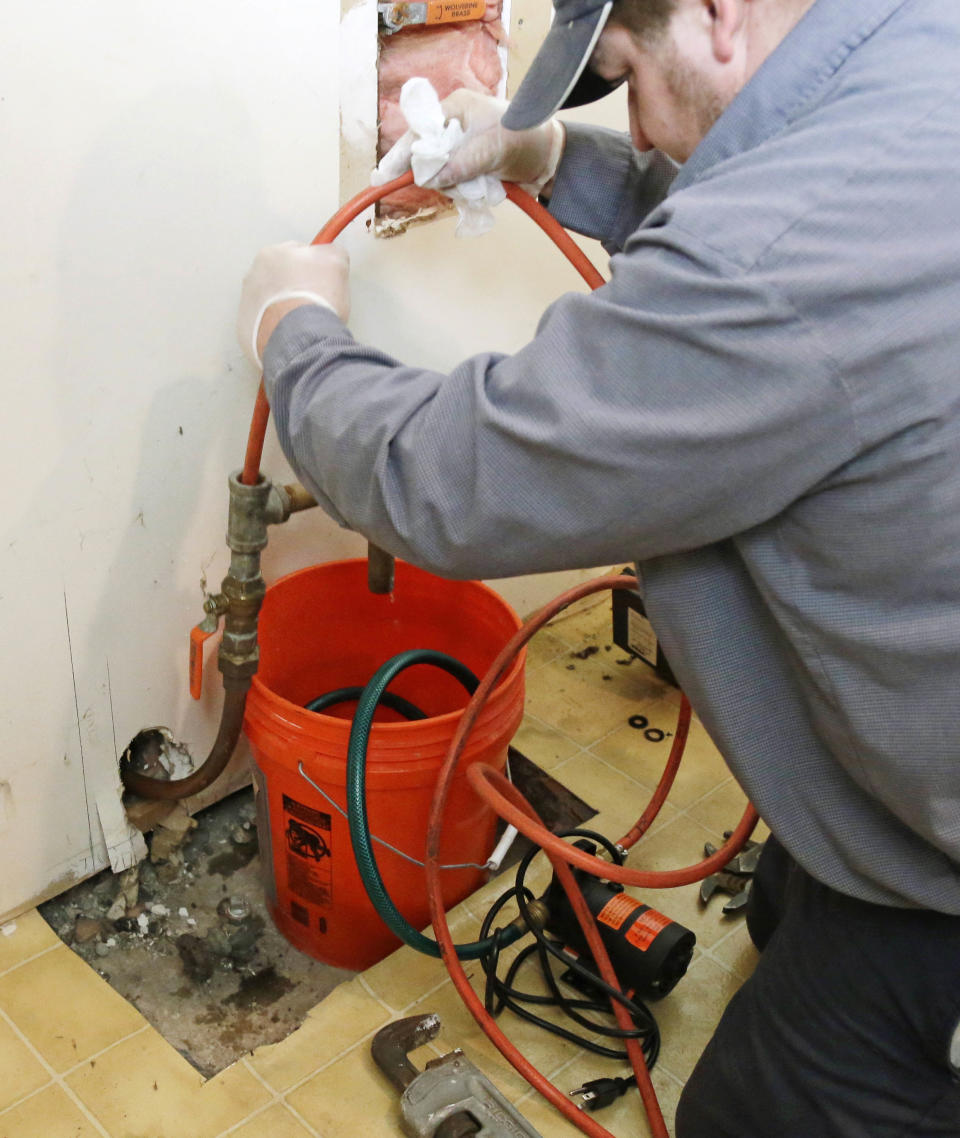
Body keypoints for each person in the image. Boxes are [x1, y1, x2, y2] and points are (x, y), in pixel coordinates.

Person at [237, 0, 960, 1133]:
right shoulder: (914, 54)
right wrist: (556, 156)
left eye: (623, 72)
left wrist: (293, 330)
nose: (642, 118)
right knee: (793, 898)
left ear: (720, 14)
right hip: (902, 762)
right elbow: (751, 184)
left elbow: (447, 476)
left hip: (940, 855)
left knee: (763, 1108)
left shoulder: (782, 250)